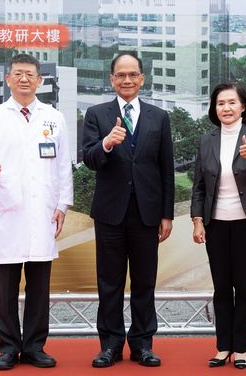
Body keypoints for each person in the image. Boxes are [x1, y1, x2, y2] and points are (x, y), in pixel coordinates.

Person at [0, 53, 73, 370]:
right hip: (8, 212)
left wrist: (62, 205)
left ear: (40, 80)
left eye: (30, 74)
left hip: (43, 213)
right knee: (6, 289)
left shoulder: (53, 117)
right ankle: (8, 348)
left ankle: (34, 347)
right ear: (8, 79)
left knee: (40, 288)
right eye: (18, 74)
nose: (24, 79)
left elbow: (63, 165)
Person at [82, 52, 174, 368]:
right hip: (110, 213)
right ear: (111, 79)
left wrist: (166, 214)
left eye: (133, 74)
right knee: (110, 282)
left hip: (147, 213)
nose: (127, 80)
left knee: (144, 282)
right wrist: (107, 143)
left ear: (142, 78)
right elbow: (89, 159)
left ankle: (142, 344)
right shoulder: (96, 114)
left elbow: (166, 169)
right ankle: (110, 345)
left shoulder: (159, 117)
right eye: (120, 75)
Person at [191, 82, 246, 369]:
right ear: (214, 109)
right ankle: (223, 346)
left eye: (231, 102)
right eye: (220, 103)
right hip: (216, 224)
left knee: (244, 286)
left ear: (243, 107)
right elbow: (199, 186)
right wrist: (197, 220)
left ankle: (241, 348)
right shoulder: (207, 140)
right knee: (221, 288)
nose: (226, 108)